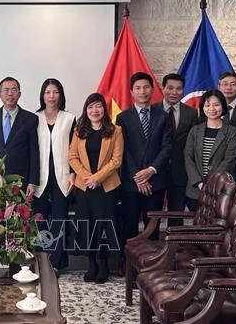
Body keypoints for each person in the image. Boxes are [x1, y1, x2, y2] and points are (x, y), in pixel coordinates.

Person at [69, 93, 123, 284]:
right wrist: (87, 177)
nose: (95, 110)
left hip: (106, 187)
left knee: (105, 226)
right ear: (86, 110)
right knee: (87, 226)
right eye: (91, 107)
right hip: (85, 188)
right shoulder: (79, 130)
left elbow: (116, 160)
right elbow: (72, 157)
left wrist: (98, 178)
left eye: (98, 106)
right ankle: (91, 264)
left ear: (104, 109)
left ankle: (104, 266)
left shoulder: (115, 130)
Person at [116, 72, 171, 242]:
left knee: (152, 228)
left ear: (153, 90)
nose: (142, 91)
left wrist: (151, 170)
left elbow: (167, 147)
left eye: (146, 87)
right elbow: (123, 150)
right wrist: (138, 177)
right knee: (129, 226)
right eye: (138, 88)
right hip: (130, 183)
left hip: (156, 181)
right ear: (131, 92)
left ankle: (151, 266)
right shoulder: (122, 118)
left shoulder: (163, 116)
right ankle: (128, 267)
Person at [32, 78, 76, 272]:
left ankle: (56, 262)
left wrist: (74, 172)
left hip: (62, 174)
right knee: (39, 219)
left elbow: (75, 148)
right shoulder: (34, 118)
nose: (51, 96)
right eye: (48, 92)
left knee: (60, 219)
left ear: (61, 95)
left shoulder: (70, 118)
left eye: (55, 92)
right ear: (43, 95)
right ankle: (41, 259)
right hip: (39, 175)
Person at [152, 73, 198, 226]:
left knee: (176, 213)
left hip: (180, 171)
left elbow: (194, 144)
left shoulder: (191, 113)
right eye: (170, 88)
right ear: (163, 88)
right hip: (155, 172)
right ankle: (151, 247)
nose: (174, 92)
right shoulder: (152, 110)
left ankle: (175, 248)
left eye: (179, 89)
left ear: (183, 90)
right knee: (153, 214)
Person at [183, 90, 236, 211]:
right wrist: (199, 183)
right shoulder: (195, 130)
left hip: (221, 189)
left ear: (223, 106)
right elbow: (188, 157)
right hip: (195, 190)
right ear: (202, 108)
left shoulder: (233, 132)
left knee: (217, 227)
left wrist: (211, 183)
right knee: (197, 228)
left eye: (216, 104)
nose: (212, 108)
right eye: (207, 105)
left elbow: (230, 159)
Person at [0, 77, 39, 197]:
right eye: (6, 90)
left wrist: (33, 182)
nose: (10, 93)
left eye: (14, 90)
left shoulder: (30, 118)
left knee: (19, 215)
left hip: (20, 179)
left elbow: (34, 152)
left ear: (19, 94)